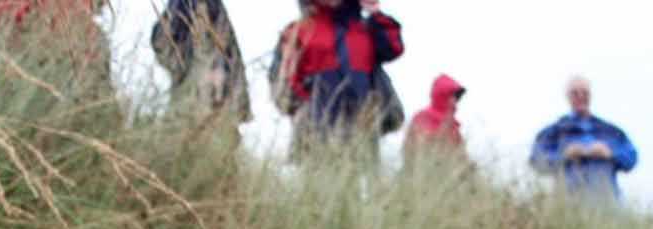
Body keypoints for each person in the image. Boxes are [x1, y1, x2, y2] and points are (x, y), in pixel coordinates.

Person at [280, 0, 405, 152]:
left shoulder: (366, 29)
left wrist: (375, 13)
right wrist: (306, 109)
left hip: (362, 132)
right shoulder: (299, 30)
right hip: (314, 133)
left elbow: (393, 48)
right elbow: (285, 84)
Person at [529, 76, 638, 202]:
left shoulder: (611, 131)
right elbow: (536, 161)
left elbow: (632, 158)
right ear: (567, 97)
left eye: (585, 93)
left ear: (591, 95)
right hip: (567, 204)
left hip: (606, 205)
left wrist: (610, 154)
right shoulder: (554, 132)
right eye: (575, 93)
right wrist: (563, 156)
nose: (580, 96)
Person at [150, 0, 252, 122]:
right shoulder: (180, 5)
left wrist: (241, 106)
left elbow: (232, 58)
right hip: (187, 101)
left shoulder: (217, 11)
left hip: (217, 104)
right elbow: (161, 44)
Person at [402, 73, 467, 168]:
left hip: (450, 175)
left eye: (456, 97)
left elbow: (461, 155)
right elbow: (412, 149)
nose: (454, 101)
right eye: (451, 95)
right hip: (423, 171)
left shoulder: (453, 125)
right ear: (442, 95)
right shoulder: (423, 116)